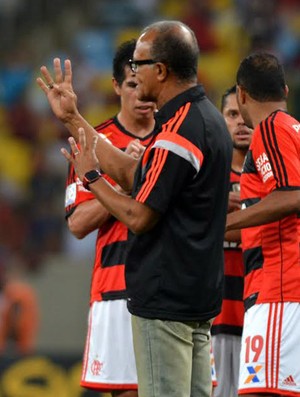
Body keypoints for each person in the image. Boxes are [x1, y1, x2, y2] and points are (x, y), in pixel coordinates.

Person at [37, 20, 233, 397]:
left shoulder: (176, 131)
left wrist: (93, 177)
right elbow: (134, 174)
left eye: (139, 64)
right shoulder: (206, 119)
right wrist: (73, 119)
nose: (134, 71)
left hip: (165, 299)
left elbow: (140, 216)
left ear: (160, 70)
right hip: (196, 297)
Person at [65, 39, 155, 396]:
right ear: (117, 86)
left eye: (146, 83)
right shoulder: (94, 141)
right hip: (117, 288)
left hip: (173, 284)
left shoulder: (176, 138)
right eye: (132, 84)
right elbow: (77, 223)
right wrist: (126, 182)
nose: (142, 93)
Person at [225, 52, 300, 396]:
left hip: (279, 291)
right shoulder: (293, 130)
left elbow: (290, 196)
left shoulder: (269, 129)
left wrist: (219, 225)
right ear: (284, 89)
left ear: (241, 95)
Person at [211, 85, 253, 397]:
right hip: (212, 319)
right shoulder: (205, 175)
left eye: (245, 114)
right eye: (232, 114)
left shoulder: (275, 178)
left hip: (257, 317)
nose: (240, 122)